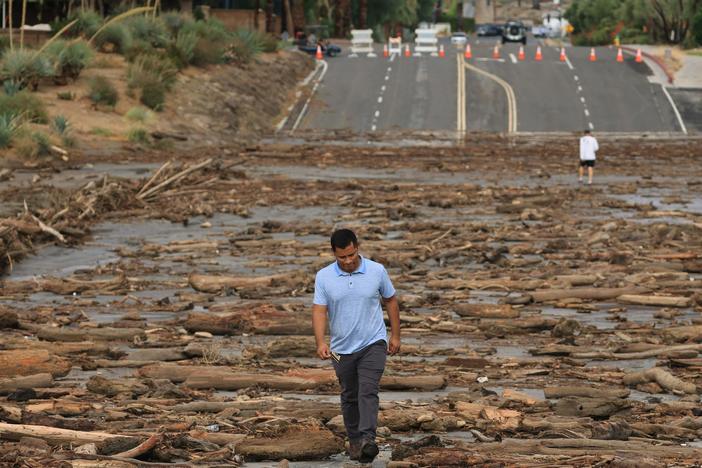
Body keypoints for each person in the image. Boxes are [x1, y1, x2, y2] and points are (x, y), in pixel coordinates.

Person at [312, 228, 401, 464]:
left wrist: (395, 336)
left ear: (357, 248)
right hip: (341, 349)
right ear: (334, 253)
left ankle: (368, 439)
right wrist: (321, 341)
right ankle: (355, 441)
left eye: (352, 255)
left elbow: (390, 300)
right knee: (349, 395)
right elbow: (320, 310)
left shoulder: (376, 270)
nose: (348, 261)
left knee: (368, 389)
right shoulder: (323, 277)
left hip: (373, 342)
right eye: (342, 257)